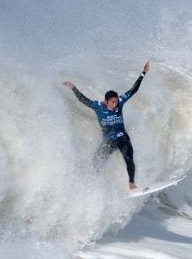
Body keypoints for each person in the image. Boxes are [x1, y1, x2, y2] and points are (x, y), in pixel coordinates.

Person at [63, 61, 150, 190]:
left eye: (116, 101)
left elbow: (133, 90)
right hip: (109, 141)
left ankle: (132, 184)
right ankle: (92, 185)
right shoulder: (98, 106)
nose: (115, 104)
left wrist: (143, 73)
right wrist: (73, 88)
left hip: (122, 138)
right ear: (106, 101)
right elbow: (83, 99)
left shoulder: (120, 102)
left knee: (129, 159)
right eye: (112, 102)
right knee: (96, 162)